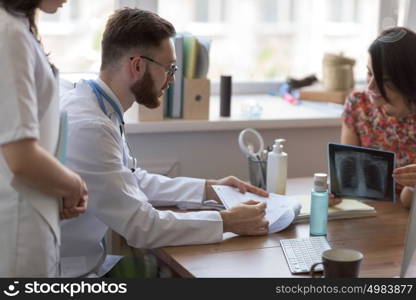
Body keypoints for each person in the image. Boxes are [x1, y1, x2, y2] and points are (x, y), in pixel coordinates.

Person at [60, 8, 269, 278]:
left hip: (88, 262)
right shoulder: (91, 127)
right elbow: (141, 226)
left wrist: (208, 190)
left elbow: (129, 181)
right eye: (170, 69)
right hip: (66, 275)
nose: (172, 79)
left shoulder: (96, 104)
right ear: (137, 66)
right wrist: (227, 221)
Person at [0, 0, 88, 277]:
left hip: (32, 210)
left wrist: (58, 183)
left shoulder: (17, 29)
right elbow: (22, 158)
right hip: (19, 223)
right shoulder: (9, 34)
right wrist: (74, 185)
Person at [341, 27, 416, 209]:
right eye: (369, 73)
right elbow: (345, 176)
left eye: (385, 80)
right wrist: (336, 191)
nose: (371, 87)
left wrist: (413, 187)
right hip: (368, 211)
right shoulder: (359, 105)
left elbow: (408, 200)